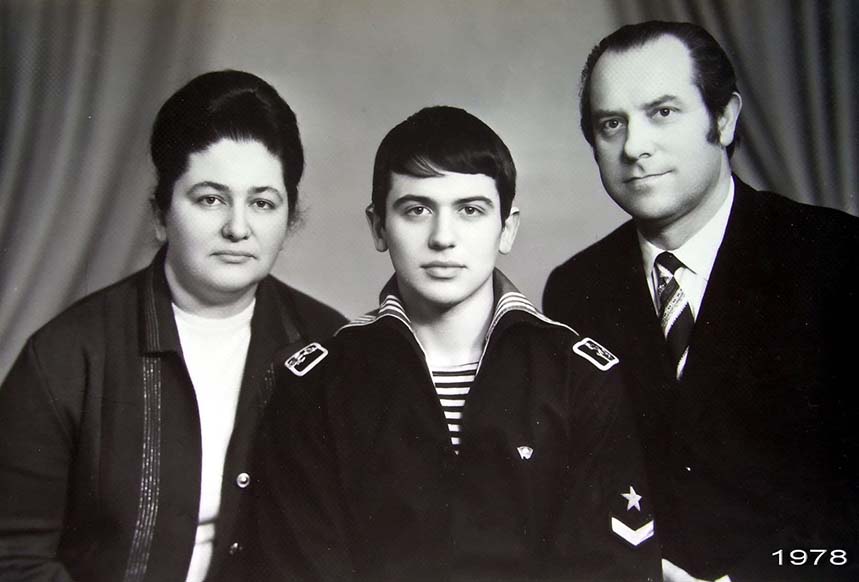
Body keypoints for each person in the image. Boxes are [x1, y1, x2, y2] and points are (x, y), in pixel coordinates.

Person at [246, 105, 661, 581]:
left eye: (470, 210)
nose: (443, 238)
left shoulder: (580, 376)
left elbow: (613, 569)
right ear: (379, 227)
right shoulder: (315, 384)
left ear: (507, 228)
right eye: (417, 210)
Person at [543, 21, 859, 582]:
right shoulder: (576, 289)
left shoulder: (838, 257)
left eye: (663, 112)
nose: (634, 147)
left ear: (725, 118)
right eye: (611, 123)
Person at [0, 70, 346, 582]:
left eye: (262, 203)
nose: (238, 228)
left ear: (288, 217)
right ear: (161, 214)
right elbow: (13, 557)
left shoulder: (332, 350)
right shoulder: (66, 357)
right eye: (210, 199)